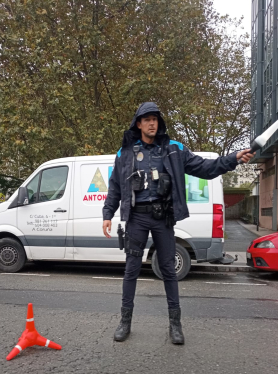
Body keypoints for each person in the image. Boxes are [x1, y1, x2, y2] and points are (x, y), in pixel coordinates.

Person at [102, 102, 254, 345]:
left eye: (156, 119)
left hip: (163, 217)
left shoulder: (174, 149)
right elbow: (115, 187)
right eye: (147, 119)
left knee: (169, 271)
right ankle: (125, 322)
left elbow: (206, 168)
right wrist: (107, 214)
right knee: (131, 270)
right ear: (138, 124)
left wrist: (233, 159)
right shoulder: (125, 152)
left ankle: (175, 325)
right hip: (136, 218)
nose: (152, 123)